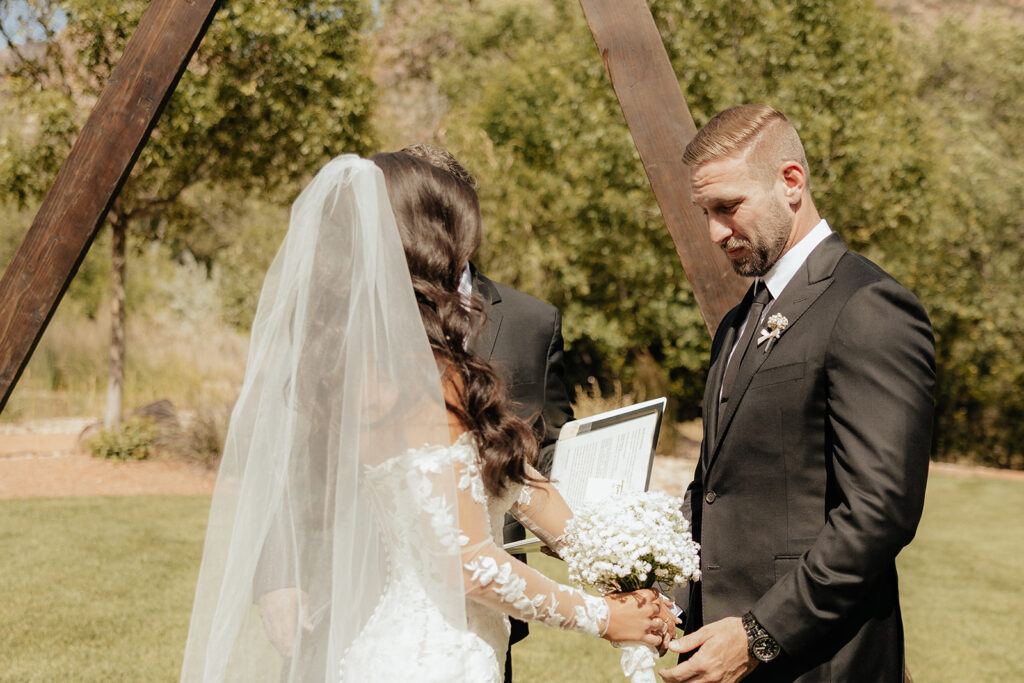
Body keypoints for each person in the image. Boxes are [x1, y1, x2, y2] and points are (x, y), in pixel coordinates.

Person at [180, 153, 675, 682]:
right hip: (429, 657)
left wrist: (622, 569)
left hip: (449, 649)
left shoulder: (399, 363)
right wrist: (605, 618)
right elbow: (466, 561)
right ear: (432, 239)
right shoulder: (418, 375)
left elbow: (515, 483)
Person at [660, 104, 935, 683]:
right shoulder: (738, 323)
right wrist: (661, 582)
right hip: (720, 651)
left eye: (728, 207)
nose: (714, 231)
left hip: (821, 660)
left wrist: (760, 634)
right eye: (706, 212)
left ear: (791, 181)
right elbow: (715, 486)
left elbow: (879, 513)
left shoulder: (867, 306)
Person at [400, 143, 574, 682]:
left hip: (490, 619)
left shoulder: (532, 320)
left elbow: (539, 455)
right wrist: (607, 617)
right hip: (401, 608)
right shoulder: (363, 338)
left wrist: (604, 539)